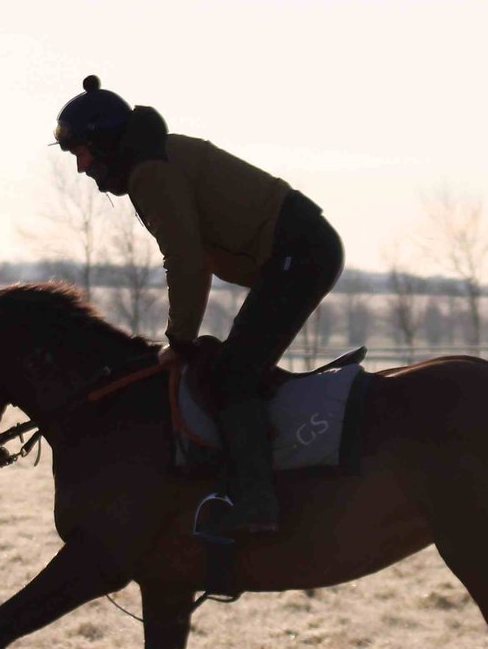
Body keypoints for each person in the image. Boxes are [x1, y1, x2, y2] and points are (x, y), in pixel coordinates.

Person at [53, 75, 343, 534]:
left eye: (82, 153)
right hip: (296, 252)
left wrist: (180, 342)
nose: (81, 167)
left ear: (105, 143)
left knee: (232, 375)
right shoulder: (151, 160)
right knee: (234, 367)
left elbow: (186, 261)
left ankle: (257, 503)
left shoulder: (150, 172)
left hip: (300, 253)